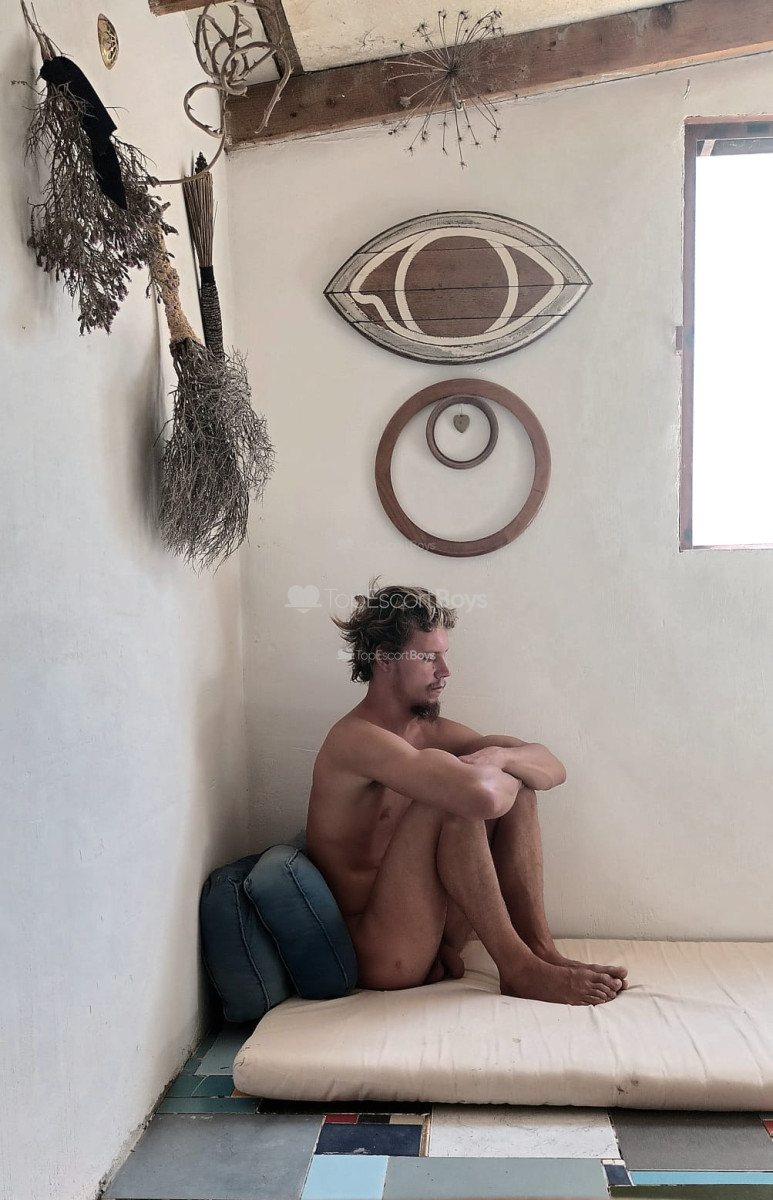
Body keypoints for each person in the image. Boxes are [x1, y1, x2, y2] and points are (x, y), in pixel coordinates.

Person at [305, 581, 627, 1005]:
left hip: (432, 932)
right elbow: (484, 799)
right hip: (379, 951)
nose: (445, 671)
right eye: (428, 657)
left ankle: (540, 951)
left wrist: (501, 757)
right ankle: (517, 969)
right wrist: (501, 770)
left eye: (444, 655)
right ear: (384, 659)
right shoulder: (355, 740)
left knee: (518, 789)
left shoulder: (431, 733)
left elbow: (552, 768)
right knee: (454, 803)